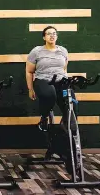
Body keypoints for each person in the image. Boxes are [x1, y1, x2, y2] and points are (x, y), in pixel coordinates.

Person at [25, 25, 75, 175]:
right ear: (44, 37)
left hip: (60, 81)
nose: (52, 36)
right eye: (49, 34)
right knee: (50, 95)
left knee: (72, 110)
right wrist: (30, 89)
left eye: (54, 34)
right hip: (43, 80)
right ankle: (44, 116)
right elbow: (29, 71)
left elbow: (64, 69)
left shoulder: (63, 51)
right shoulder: (37, 51)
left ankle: (62, 138)